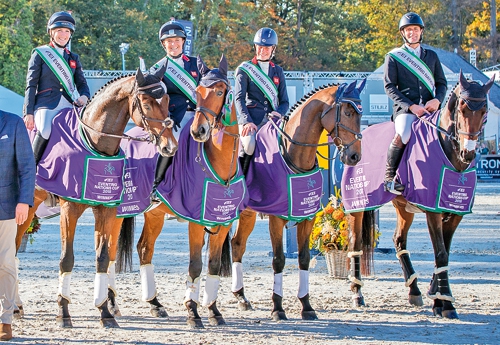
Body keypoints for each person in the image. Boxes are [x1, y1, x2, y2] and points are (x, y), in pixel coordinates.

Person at [383, 12, 447, 194]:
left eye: (416, 29)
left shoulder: (432, 56)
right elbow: (389, 87)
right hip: (406, 110)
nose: (413, 32)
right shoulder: (394, 57)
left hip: (430, 108)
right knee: (403, 133)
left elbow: (441, 83)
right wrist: (411, 106)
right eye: (409, 29)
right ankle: (389, 177)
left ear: (421, 31)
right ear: (403, 33)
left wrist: (437, 99)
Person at [23, 11, 90, 165]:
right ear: (51, 32)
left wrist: (85, 96)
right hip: (46, 104)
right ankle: (31, 168)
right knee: (45, 129)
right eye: (59, 30)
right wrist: (29, 112)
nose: (63, 34)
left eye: (67, 31)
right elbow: (31, 85)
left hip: (70, 104)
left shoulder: (74, 58)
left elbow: (82, 84)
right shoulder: (40, 54)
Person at [150, 20, 200, 188]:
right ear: (164, 45)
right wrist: (165, 118)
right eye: (169, 41)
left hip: (199, 115)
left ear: (183, 42)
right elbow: (152, 99)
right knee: (170, 146)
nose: (174, 44)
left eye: (177, 40)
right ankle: (157, 185)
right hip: (174, 119)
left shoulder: (196, 63)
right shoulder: (158, 68)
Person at [0, 110, 36, 341]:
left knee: (5, 262)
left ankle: (5, 319)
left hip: (5, 206)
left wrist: (24, 201)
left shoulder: (12, 123)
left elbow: (26, 166)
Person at [234, 27, 289, 175]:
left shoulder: (278, 71)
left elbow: (285, 102)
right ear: (255, 47)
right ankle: (242, 179)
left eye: (267, 48)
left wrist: (278, 114)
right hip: (251, 120)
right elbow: (238, 98)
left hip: (272, 122)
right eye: (260, 47)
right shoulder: (245, 69)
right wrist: (246, 120)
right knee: (249, 145)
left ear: (273, 49)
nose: (262, 51)